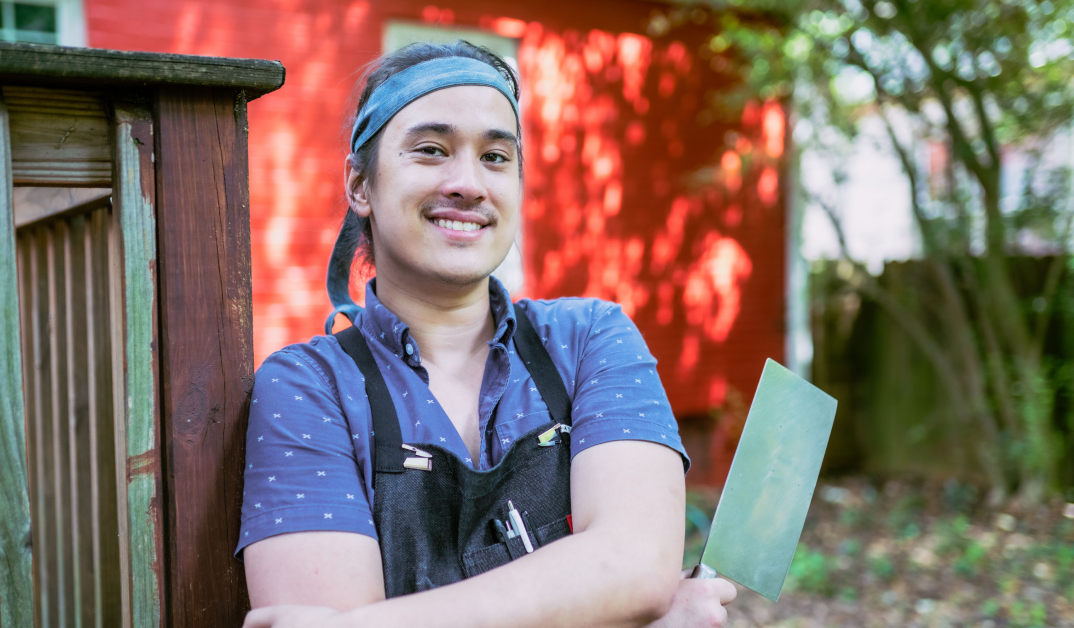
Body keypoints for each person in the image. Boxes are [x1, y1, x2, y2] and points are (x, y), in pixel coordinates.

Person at [239, 40, 737, 628]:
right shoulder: (309, 387)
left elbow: (634, 562)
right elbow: (629, 585)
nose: (468, 183)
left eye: (496, 158)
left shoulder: (589, 340)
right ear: (359, 185)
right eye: (430, 150)